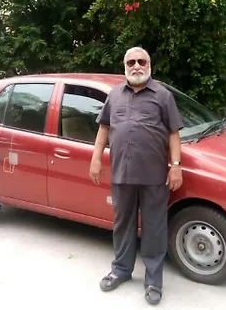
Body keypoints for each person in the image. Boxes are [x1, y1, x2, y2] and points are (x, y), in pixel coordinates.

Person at [89, 46, 184, 306]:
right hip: (122, 172)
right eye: (131, 62)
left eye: (141, 61)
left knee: (154, 228)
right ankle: (121, 270)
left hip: (154, 175)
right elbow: (104, 128)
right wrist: (96, 158)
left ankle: (153, 281)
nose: (136, 66)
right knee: (123, 224)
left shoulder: (162, 95)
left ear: (149, 65)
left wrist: (176, 165)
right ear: (125, 66)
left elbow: (174, 133)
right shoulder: (115, 95)